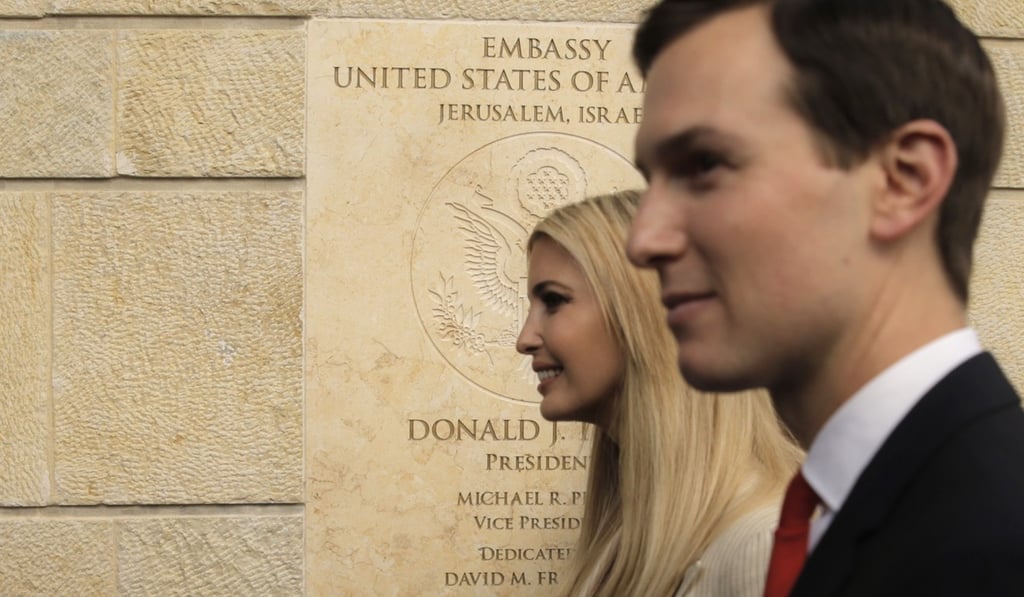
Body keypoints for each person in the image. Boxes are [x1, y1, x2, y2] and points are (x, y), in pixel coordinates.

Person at [627, 1, 1024, 595]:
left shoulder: (994, 542)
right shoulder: (869, 507)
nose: (643, 240)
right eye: (649, 180)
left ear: (902, 180)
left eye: (705, 164)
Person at [516, 190, 801, 596]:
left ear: (648, 310)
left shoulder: (763, 546)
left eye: (554, 301)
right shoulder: (621, 546)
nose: (525, 339)